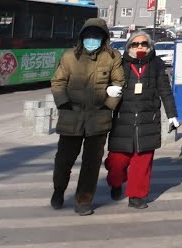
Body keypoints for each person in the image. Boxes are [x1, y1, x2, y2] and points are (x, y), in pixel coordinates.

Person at [51, 17, 124, 215]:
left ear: (104, 38)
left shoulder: (113, 57)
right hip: (71, 116)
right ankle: (59, 190)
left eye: (97, 35)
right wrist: (64, 104)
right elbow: (57, 82)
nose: (92, 39)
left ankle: (83, 201)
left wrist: (108, 106)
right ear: (82, 36)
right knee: (64, 160)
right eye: (89, 35)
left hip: (98, 118)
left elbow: (119, 83)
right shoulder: (68, 57)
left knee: (91, 164)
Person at [104, 32, 177, 210]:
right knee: (117, 162)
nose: (140, 47)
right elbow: (105, 83)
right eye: (135, 44)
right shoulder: (119, 64)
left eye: (144, 44)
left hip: (147, 120)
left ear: (150, 46)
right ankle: (116, 182)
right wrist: (108, 90)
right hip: (123, 120)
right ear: (128, 47)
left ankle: (136, 196)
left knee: (142, 162)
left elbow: (165, 91)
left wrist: (172, 115)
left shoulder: (157, 65)